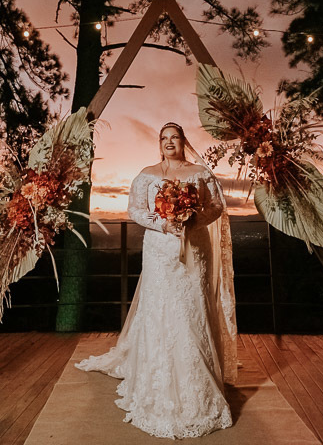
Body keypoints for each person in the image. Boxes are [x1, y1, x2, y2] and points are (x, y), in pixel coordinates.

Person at [75, 122, 238, 439]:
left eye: (174, 137)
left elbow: (217, 205)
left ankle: (200, 381)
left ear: (183, 141)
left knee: (193, 309)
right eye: (164, 138)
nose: (169, 142)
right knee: (161, 308)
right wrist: (162, 225)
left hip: (195, 247)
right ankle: (157, 377)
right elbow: (134, 209)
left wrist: (193, 220)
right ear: (159, 143)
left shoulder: (200, 172)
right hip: (159, 250)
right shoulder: (147, 174)